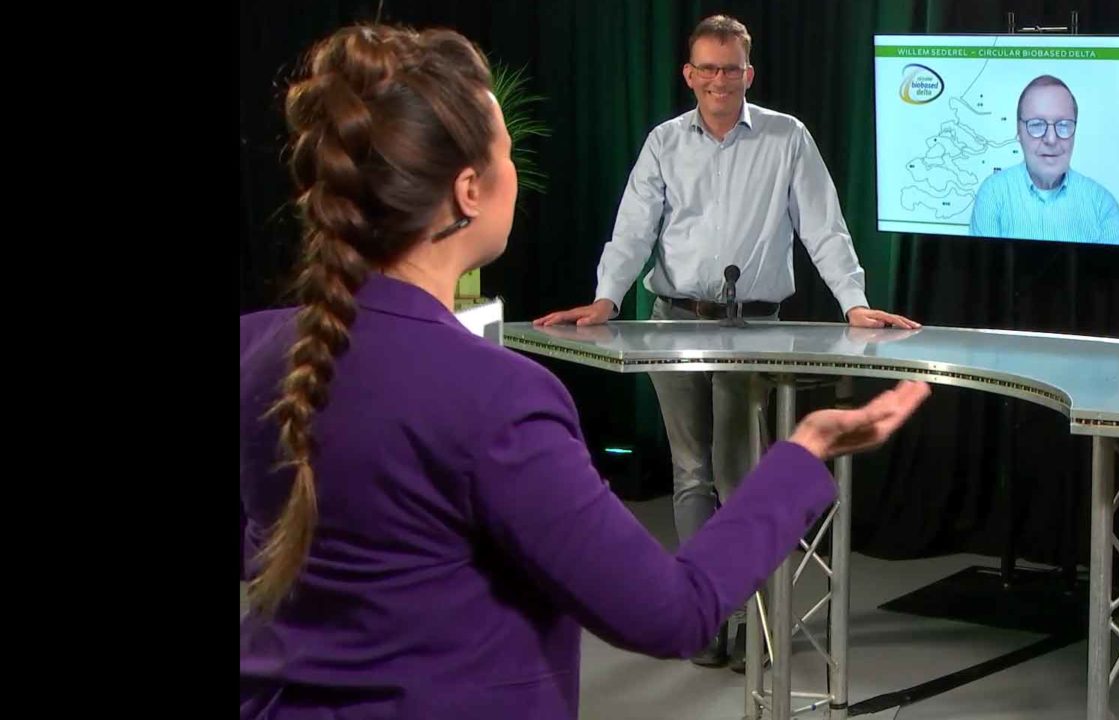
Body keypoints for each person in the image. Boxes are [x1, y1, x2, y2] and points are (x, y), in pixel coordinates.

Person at [239, 24, 931, 718]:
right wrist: (806, 449)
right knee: (695, 470)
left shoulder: (258, 351)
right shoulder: (500, 399)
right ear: (470, 190)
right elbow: (667, 613)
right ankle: (728, 629)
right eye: (508, 150)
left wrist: (855, 302)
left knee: (725, 466)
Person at [533, 14, 919, 669]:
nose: (719, 80)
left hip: (755, 326)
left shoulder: (786, 137)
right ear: (689, 76)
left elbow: (825, 227)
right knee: (691, 472)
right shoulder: (663, 143)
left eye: (731, 68)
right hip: (671, 320)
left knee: (741, 472)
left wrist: (854, 302)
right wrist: (607, 297)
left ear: (749, 73)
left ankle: (754, 621)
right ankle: (702, 615)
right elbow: (632, 231)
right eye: (707, 69)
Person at [968, 74, 1119, 245]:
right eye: (1037, 125)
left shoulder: (1103, 206)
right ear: (1019, 131)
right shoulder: (993, 195)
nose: (1051, 139)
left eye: (1064, 125)